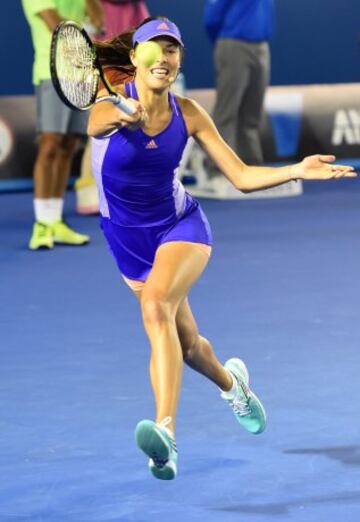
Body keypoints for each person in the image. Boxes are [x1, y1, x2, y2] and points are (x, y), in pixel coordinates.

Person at [87, 17, 355, 480]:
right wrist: (121, 113)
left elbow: (242, 176)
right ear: (134, 58)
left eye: (173, 51)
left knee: (156, 308)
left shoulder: (189, 113)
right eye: (156, 48)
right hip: (127, 241)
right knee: (188, 345)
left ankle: (166, 436)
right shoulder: (106, 107)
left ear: (178, 63)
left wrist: (295, 169)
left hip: (180, 227)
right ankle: (235, 386)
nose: (165, 58)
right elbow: (97, 123)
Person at [22, 0, 103, 250]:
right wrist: (85, 45)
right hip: (51, 73)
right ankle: (42, 223)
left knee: (69, 146)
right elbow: (58, 28)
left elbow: (98, 21)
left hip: (82, 75)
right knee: (50, 146)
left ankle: (55, 220)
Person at [75, 0, 150, 214]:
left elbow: (144, 38)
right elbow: (84, 42)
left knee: (129, 135)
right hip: (100, 74)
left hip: (127, 74)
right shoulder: (92, 4)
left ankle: (123, 190)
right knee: (100, 134)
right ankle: (88, 191)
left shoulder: (136, 5)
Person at [204, 0, 273, 166]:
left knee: (252, 113)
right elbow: (211, 18)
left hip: (261, 46)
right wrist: (226, 39)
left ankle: (251, 165)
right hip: (233, 44)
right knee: (227, 110)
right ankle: (218, 166)